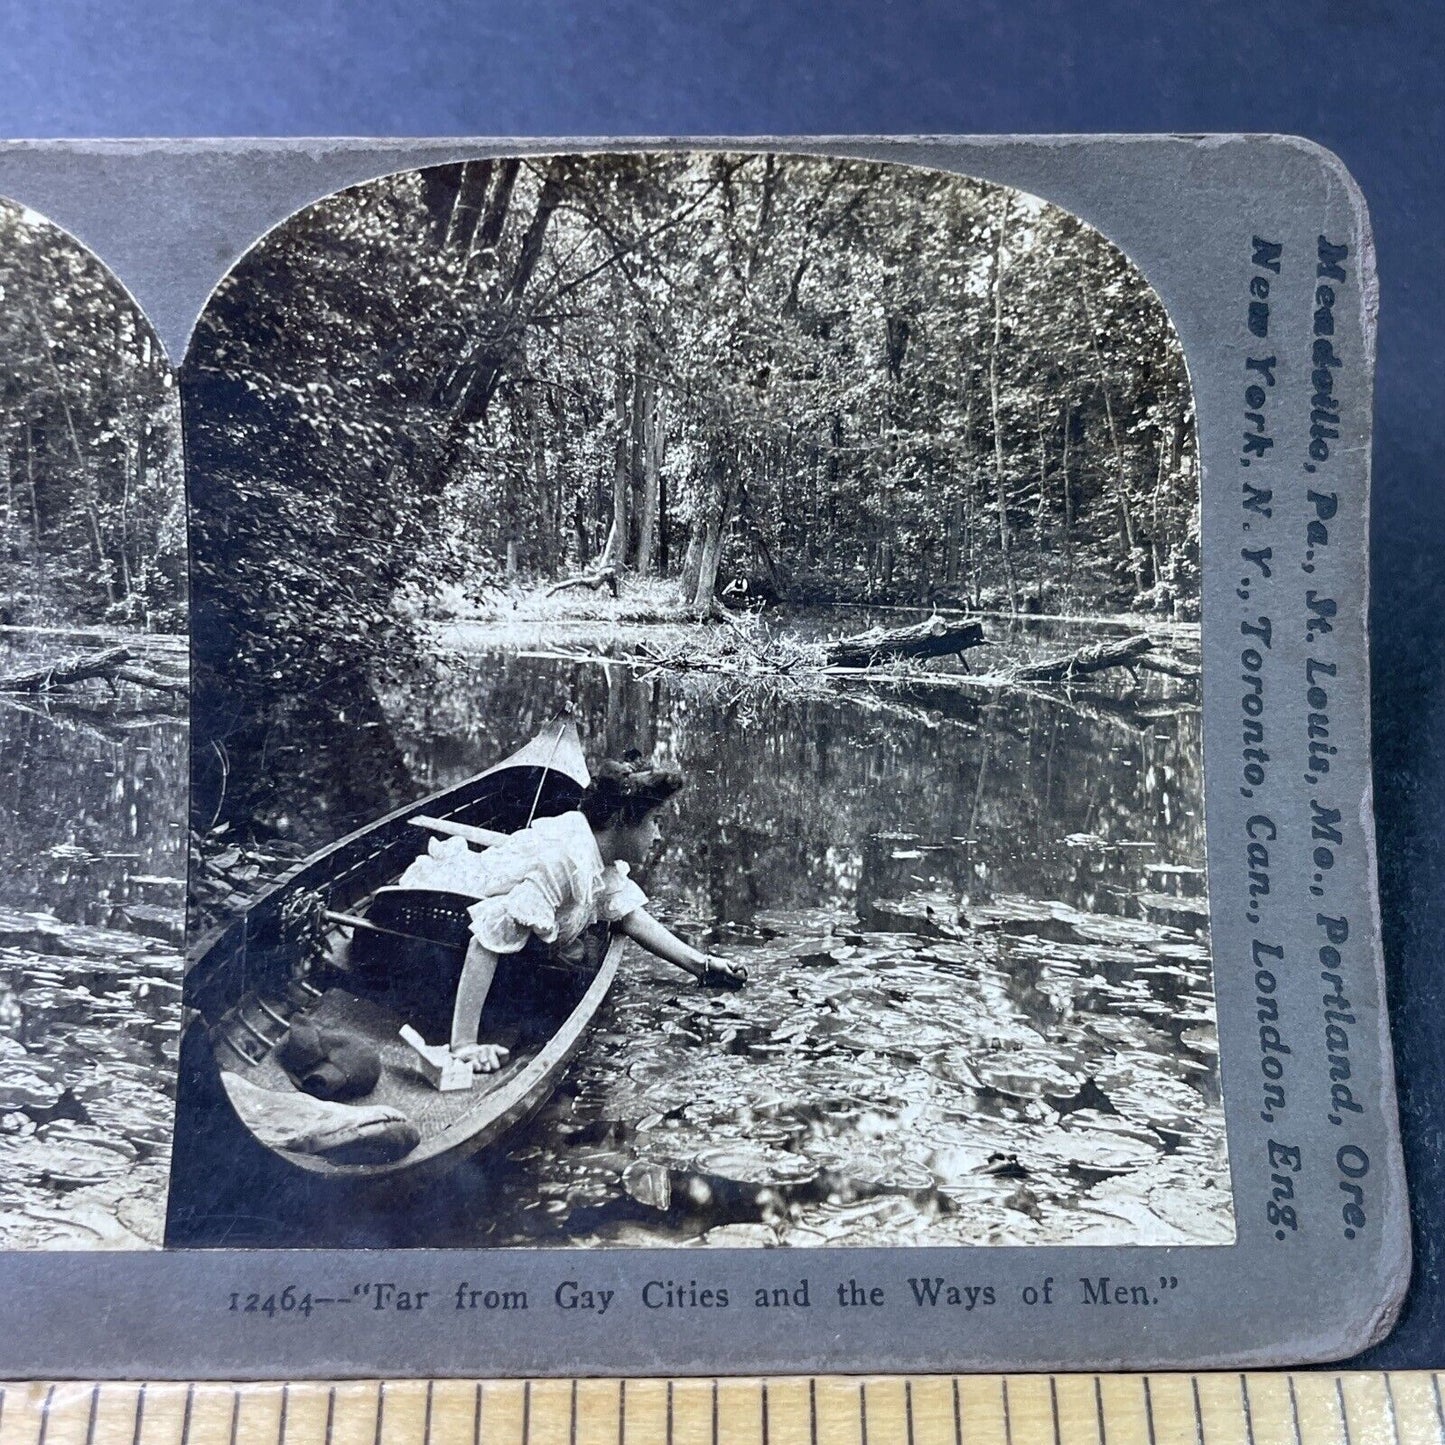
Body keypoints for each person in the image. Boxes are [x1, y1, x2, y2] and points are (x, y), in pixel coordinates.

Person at [397, 755, 748, 1075]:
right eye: (654, 822)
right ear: (622, 821)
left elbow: (627, 913)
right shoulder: (566, 860)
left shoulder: (595, 852)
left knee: (573, 952)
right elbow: (486, 940)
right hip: (439, 922)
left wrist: (701, 964)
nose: (657, 836)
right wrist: (464, 1045)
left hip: (483, 925)